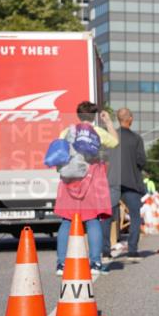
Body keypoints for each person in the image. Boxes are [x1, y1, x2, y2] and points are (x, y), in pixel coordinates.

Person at [54, 102, 118, 279]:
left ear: (78, 115)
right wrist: (109, 123)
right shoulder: (97, 132)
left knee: (67, 220)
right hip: (92, 179)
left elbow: (60, 152)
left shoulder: (67, 132)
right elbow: (115, 142)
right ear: (94, 116)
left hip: (70, 179)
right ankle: (95, 263)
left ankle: (61, 263)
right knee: (92, 220)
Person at [111, 107, 147, 262]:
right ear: (130, 119)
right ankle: (132, 250)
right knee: (135, 217)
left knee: (108, 216)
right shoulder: (136, 139)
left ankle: (106, 250)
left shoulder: (111, 137)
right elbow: (141, 161)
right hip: (131, 182)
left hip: (112, 182)